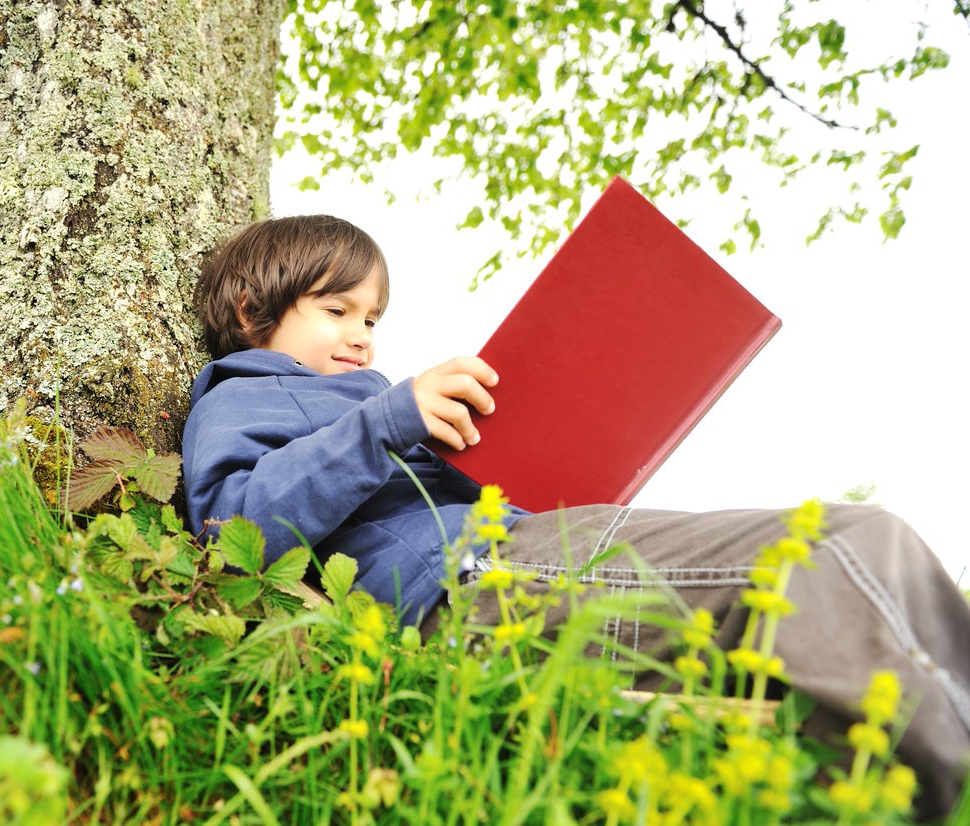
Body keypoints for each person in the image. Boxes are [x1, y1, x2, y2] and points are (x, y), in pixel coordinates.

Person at [182, 214, 970, 818]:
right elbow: (233, 526)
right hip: (472, 581)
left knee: (865, 549)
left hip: (523, 551)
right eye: (337, 309)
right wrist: (392, 417)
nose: (361, 335)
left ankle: (892, 772)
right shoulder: (246, 391)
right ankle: (919, 779)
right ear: (255, 311)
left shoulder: (364, 399)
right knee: (841, 548)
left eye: (373, 318)